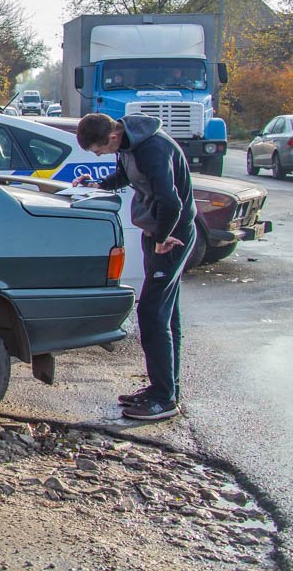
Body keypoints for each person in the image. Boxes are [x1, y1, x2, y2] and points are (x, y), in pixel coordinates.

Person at [74, 112, 195, 422]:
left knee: (152, 314)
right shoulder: (128, 143)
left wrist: (162, 237)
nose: (99, 155)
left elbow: (172, 202)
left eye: (99, 150)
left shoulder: (152, 148)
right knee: (167, 314)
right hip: (157, 231)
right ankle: (166, 389)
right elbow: (126, 175)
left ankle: (163, 399)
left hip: (172, 237)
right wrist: (99, 184)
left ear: (112, 137)